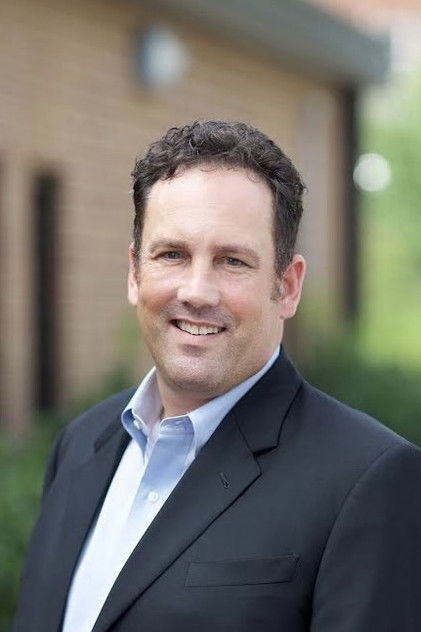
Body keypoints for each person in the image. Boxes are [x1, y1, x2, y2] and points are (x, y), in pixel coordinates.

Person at [13, 120, 421, 632]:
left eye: (232, 261)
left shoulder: (368, 479)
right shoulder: (80, 445)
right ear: (135, 272)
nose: (197, 291)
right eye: (172, 255)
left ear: (287, 286)